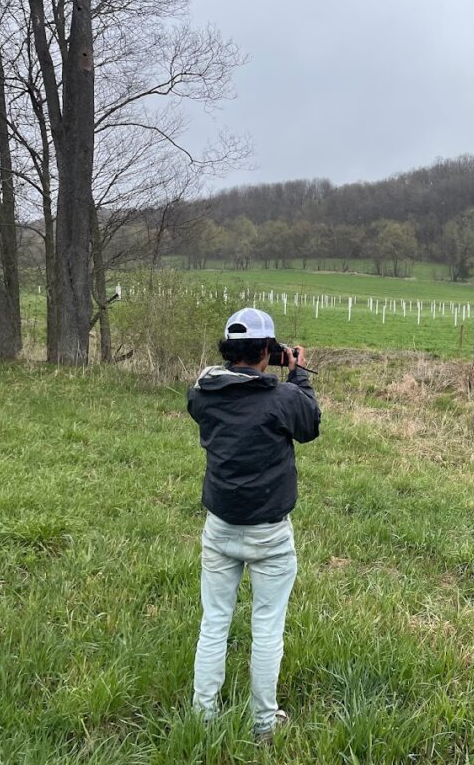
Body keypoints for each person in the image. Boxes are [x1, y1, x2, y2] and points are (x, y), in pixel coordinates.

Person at [187, 307, 321, 739]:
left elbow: (209, 386)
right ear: (268, 350)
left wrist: (264, 367)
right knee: (267, 628)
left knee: (214, 623)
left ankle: (203, 715)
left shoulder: (203, 394)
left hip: (220, 528)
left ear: (228, 351)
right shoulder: (281, 398)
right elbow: (310, 424)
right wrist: (297, 372)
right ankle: (264, 722)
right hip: (270, 534)